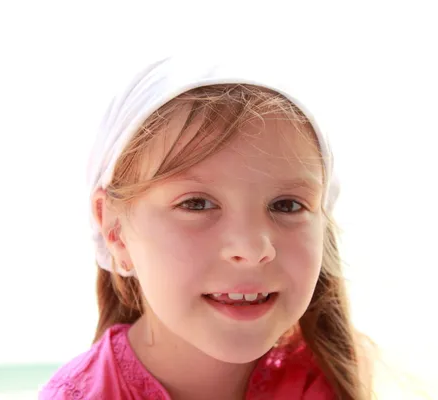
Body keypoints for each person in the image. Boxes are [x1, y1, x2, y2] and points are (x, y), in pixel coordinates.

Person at [39, 55, 373, 399]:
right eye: (196, 204)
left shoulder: (319, 380)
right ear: (115, 232)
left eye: (287, 205)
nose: (252, 248)